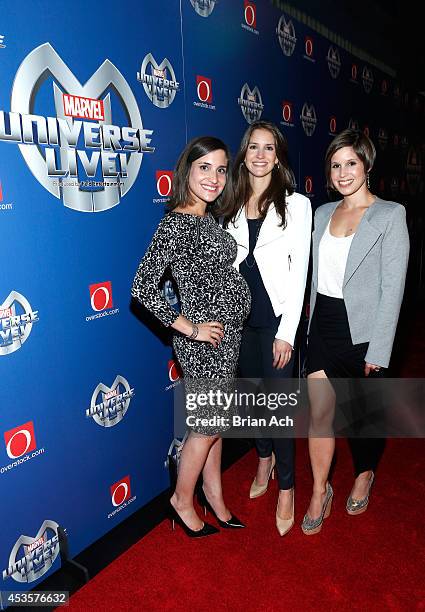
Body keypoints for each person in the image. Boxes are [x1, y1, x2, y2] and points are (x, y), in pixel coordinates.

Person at [131, 136, 251, 538]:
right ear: (187, 171)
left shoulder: (206, 218)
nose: (214, 177)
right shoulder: (176, 222)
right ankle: (182, 500)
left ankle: (213, 495)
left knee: (213, 423)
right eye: (205, 167)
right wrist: (191, 328)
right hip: (204, 344)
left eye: (221, 169)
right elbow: (143, 287)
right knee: (206, 426)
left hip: (225, 339)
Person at [302, 128, 409, 535]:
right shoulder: (322, 214)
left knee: (361, 418)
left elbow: (391, 288)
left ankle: (364, 472)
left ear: (366, 165)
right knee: (321, 414)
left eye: (351, 163)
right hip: (325, 325)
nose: (343, 172)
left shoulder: (389, 214)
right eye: (335, 165)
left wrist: (379, 350)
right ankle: (319, 492)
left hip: (364, 329)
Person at [225, 120, 312, 536]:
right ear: (244, 154)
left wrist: (288, 332)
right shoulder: (231, 203)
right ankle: (263, 458)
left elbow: (300, 277)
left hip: (277, 321)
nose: (260, 155)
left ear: (278, 157)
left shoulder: (297, 205)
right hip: (241, 323)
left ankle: (288, 488)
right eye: (253, 147)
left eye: (269, 148)